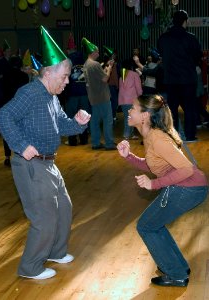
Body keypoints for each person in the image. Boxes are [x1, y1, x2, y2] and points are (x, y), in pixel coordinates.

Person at [0, 26, 91, 280]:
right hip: (32, 165)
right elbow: (3, 116)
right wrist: (20, 144)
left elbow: (62, 125)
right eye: (65, 76)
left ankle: (56, 252)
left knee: (64, 209)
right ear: (48, 73)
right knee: (45, 216)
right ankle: (30, 267)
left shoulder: (51, 96)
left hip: (49, 163)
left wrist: (79, 122)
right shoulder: (30, 92)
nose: (68, 81)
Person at [117, 94, 208, 287]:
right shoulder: (151, 136)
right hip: (188, 187)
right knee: (154, 224)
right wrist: (129, 157)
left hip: (188, 188)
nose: (129, 111)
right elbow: (155, 166)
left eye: (133, 108)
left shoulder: (157, 138)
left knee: (146, 226)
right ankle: (178, 267)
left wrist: (154, 184)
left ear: (145, 116)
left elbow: (186, 169)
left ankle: (176, 274)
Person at [158, 10, 203, 142]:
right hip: (188, 79)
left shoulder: (163, 38)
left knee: (172, 110)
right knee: (189, 108)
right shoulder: (191, 38)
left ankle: (173, 135)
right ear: (185, 21)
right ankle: (189, 136)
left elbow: (161, 54)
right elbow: (197, 57)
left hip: (171, 80)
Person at [82, 37, 116, 150]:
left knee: (95, 121)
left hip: (93, 97)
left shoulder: (86, 64)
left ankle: (95, 143)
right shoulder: (95, 64)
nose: (98, 53)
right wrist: (110, 68)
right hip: (102, 97)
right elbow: (105, 79)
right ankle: (109, 144)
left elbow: (99, 77)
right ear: (92, 52)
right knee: (107, 120)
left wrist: (106, 68)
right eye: (97, 51)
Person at [1, 55, 29, 166]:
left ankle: (7, 157)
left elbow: (0, 93)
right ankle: (21, 154)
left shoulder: (4, 77)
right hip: (20, 107)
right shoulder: (24, 76)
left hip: (7, 107)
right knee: (21, 130)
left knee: (6, 132)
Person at [118, 59, 142, 139]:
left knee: (128, 117)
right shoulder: (134, 74)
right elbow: (138, 88)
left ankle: (131, 134)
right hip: (131, 99)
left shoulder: (122, 76)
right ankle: (126, 134)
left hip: (122, 100)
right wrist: (141, 95)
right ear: (131, 66)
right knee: (130, 117)